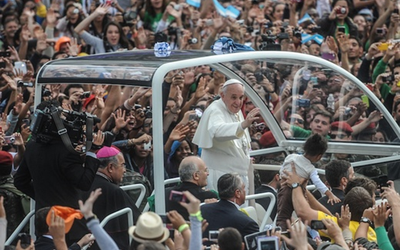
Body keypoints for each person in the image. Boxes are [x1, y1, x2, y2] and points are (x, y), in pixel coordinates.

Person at [14, 100, 103, 244]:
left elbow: (19, 181)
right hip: (69, 224)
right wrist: (92, 153)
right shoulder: (66, 151)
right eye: (62, 116)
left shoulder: (32, 145)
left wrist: (43, 196)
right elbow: (84, 182)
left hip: (44, 221)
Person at [193, 79, 260, 193]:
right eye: (234, 97)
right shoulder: (215, 109)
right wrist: (243, 125)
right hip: (221, 175)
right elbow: (217, 132)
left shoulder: (234, 109)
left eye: (241, 97)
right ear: (222, 95)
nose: (238, 102)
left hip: (239, 176)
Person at [80, 146, 140, 250]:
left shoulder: (83, 184)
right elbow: (138, 220)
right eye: (123, 165)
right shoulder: (114, 191)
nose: (125, 170)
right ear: (111, 167)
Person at [277, 133, 339, 230]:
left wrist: (283, 180)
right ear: (319, 156)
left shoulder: (291, 157)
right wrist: (329, 194)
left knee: (283, 216)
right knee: (304, 215)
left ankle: (281, 231)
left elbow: (282, 170)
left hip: (284, 190)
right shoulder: (311, 169)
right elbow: (318, 184)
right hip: (300, 193)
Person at [200, 173, 259, 241]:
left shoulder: (202, 210)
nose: (245, 191)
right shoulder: (247, 223)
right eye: (244, 188)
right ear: (238, 193)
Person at [165, 156, 218, 220]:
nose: (208, 173)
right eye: (205, 170)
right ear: (196, 176)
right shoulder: (208, 197)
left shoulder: (166, 193)